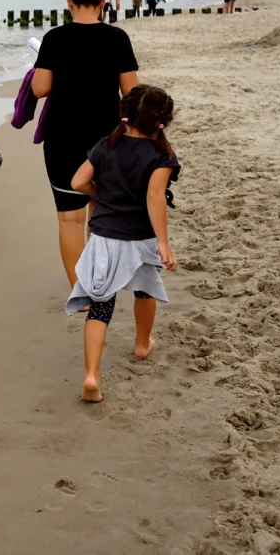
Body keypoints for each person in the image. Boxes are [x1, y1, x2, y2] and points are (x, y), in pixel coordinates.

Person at [66, 85, 179, 403]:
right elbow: (155, 196)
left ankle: (91, 375)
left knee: (101, 305)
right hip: (140, 239)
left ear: (125, 115)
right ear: (162, 122)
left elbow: (77, 182)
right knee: (145, 289)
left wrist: (96, 193)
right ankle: (143, 343)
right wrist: (163, 242)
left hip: (104, 238)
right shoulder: (161, 155)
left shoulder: (106, 145)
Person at [32, 0, 140, 290]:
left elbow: (40, 88)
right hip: (107, 140)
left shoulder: (54, 38)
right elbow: (132, 95)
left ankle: (80, 289)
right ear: (103, 3)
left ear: (69, 2)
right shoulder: (117, 38)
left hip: (62, 139)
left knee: (70, 218)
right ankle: (101, 278)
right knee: (100, 212)